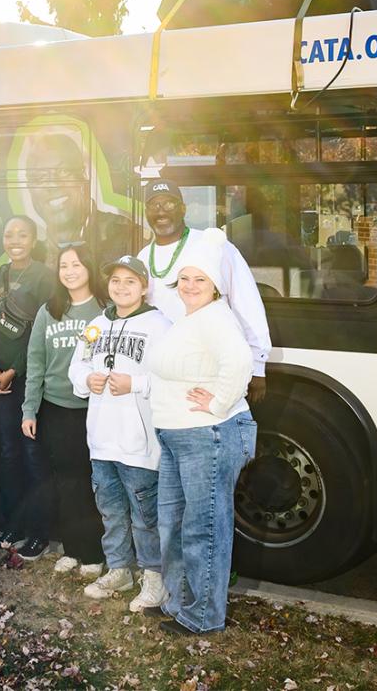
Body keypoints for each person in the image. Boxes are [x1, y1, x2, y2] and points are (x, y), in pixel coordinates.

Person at [148, 227, 257, 635]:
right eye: (186, 279)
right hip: (178, 436)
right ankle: (179, 603)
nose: (191, 286)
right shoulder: (189, 320)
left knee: (203, 528)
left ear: (215, 287)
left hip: (206, 435)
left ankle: (203, 616)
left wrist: (215, 403)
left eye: (201, 280)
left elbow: (239, 363)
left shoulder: (216, 317)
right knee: (173, 525)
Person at [69, 255, 171, 611]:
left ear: (144, 287)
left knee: (145, 516)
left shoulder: (160, 326)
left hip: (139, 443)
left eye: (131, 281)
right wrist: (87, 379)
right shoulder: (97, 324)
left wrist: (136, 383)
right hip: (101, 439)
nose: (122, 287)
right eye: (116, 280)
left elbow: (171, 379)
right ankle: (119, 569)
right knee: (110, 510)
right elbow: (77, 367)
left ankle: (154, 578)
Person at [136, 179, 270, 403]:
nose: (161, 211)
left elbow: (246, 302)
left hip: (208, 368)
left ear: (183, 208)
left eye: (168, 204)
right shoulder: (142, 256)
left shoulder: (212, 246)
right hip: (162, 373)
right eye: (154, 205)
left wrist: (258, 365)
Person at [20, 243, 106, 577]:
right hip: (55, 408)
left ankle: (95, 554)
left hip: (94, 409)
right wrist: (30, 409)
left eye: (76, 265)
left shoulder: (105, 309)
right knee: (65, 482)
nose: (69, 271)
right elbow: (36, 362)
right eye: (64, 266)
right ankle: (72, 549)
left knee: (91, 482)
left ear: (89, 268)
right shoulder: (50, 310)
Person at [0, 215, 57, 560]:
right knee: (8, 455)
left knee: (32, 454)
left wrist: (14, 370)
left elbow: (44, 335)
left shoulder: (45, 276)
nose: (15, 240)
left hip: (30, 380)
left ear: (34, 238)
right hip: (0, 382)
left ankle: (39, 532)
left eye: (22, 234)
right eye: (9, 234)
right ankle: (12, 527)